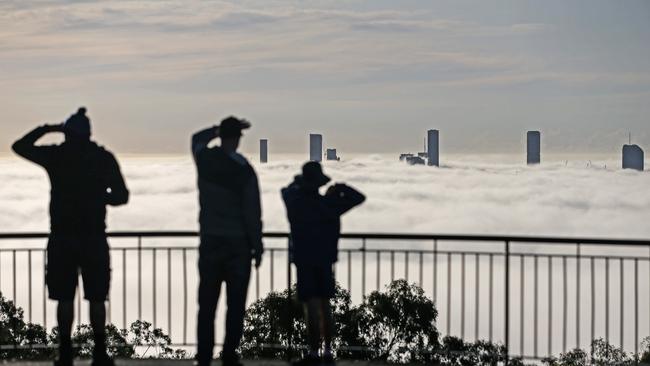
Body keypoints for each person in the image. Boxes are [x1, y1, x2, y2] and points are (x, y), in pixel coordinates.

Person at [12, 107, 129, 366]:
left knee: (64, 298)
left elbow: (19, 146)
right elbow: (122, 196)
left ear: (67, 133)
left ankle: (65, 354)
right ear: (88, 133)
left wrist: (48, 128)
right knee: (97, 298)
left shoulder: (57, 156)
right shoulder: (103, 158)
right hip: (94, 239)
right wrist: (100, 196)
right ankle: (99, 353)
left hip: (62, 239)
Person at [191, 116, 264, 366]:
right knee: (235, 305)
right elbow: (252, 212)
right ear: (238, 139)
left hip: (210, 241)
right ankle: (230, 355)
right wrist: (257, 246)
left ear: (221, 136)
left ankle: (203, 357)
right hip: (238, 247)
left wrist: (215, 129)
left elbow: (197, 139)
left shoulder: (205, 159)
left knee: (207, 305)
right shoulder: (244, 169)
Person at [281, 162, 365, 365]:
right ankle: (327, 352)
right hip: (325, 258)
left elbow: (286, 190)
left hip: (304, 258)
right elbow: (359, 198)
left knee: (310, 306)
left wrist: (299, 182)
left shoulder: (295, 203)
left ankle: (313, 354)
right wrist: (340, 188)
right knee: (325, 305)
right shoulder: (329, 204)